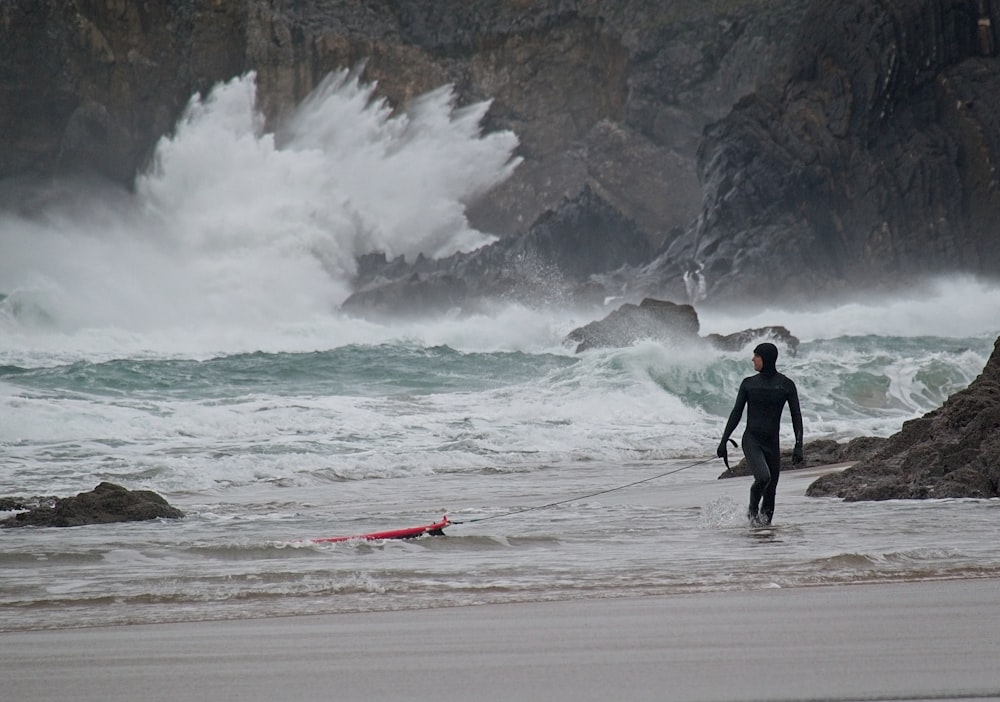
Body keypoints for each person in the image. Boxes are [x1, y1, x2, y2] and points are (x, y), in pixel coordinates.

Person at [717, 342, 803, 526]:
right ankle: (752, 512)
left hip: (772, 443)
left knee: (771, 491)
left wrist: (799, 445)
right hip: (752, 440)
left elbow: (796, 415)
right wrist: (723, 441)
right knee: (763, 478)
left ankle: (764, 533)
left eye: (756, 356)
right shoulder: (749, 384)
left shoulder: (786, 385)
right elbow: (736, 413)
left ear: (766, 358)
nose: (752, 359)